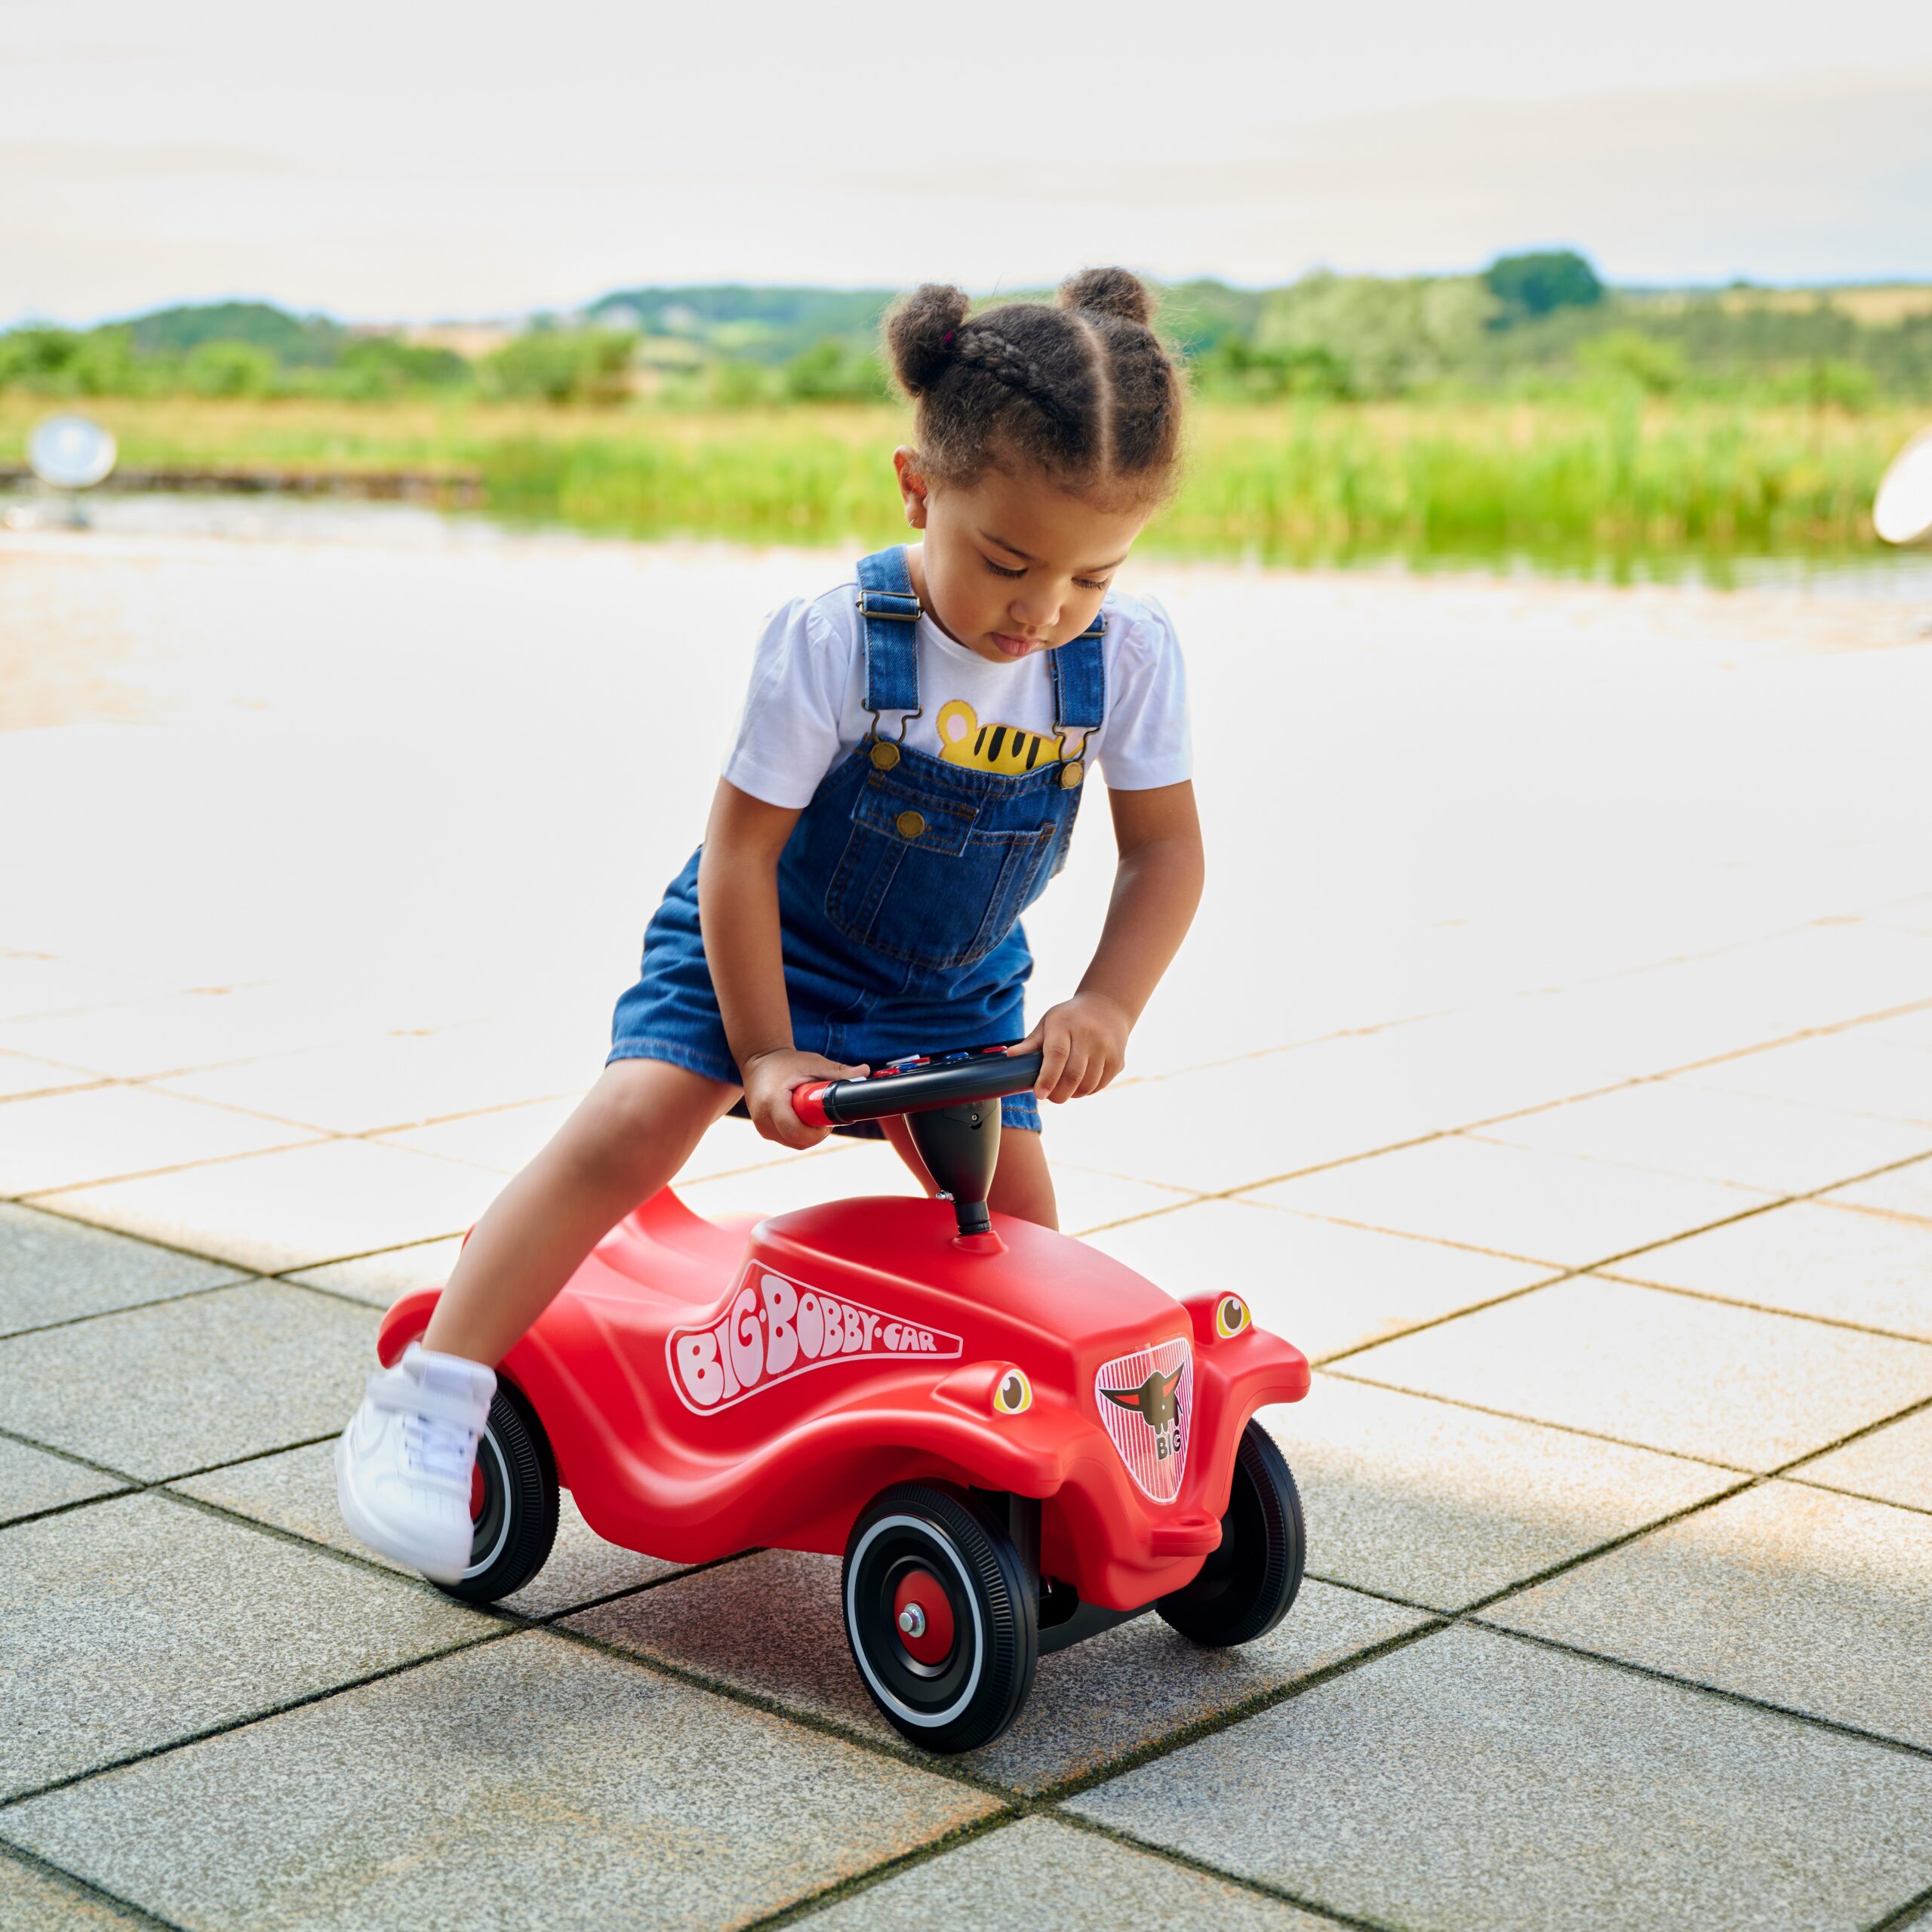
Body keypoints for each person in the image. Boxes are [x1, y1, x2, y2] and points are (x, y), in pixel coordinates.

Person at [335, 267, 1203, 1580]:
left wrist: (1106, 1003)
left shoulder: (1124, 656)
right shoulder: (838, 640)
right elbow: (741, 854)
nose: (1043, 612)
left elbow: (1166, 856)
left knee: (1014, 1219)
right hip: (765, 941)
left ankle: (1024, 1457)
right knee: (634, 1122)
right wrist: (766, 1054)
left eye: (1094, 574)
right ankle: (432, 1398)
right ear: (921, 490)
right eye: (1008, 563)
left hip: (953, 980)